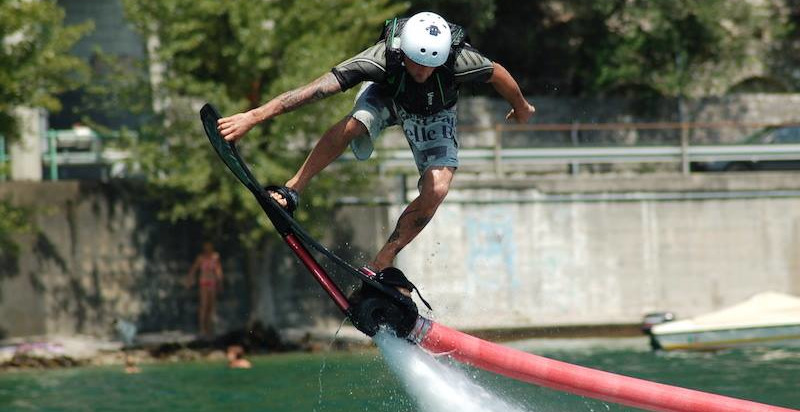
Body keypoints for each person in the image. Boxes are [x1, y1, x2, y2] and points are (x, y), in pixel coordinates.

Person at [217, 12, 535, 290]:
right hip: (387, 97)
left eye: (431, 66)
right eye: (417, 63)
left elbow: (498, 74)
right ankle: (292, 190)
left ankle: (381, 261)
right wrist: (253, 116)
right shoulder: (380, 58)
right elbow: (315, 90)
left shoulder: (459, 60)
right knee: (355, 124)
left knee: (437, 187)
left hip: (435, 114)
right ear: (404, 52)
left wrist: (520, 106)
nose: (423, 72)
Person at [184, 242, 223, 337]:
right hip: (204, 283)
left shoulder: (215, 257)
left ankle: (209, 328)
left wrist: (220, 282)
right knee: (204, 306)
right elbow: (194, 269)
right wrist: (189, 280)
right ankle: (202, 328)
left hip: (212, 283)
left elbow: (218, 270)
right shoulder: (200, 258)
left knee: (211, 306)